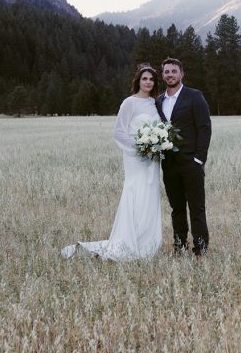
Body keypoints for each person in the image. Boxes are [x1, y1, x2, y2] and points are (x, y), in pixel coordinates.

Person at [62, 65, 164, 260]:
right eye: (145, 78)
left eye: (151, 79)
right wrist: (140, 147)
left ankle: (147, 242)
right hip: (135, 157)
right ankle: (129, 240)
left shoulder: (154, 103)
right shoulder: (129, 103)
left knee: (150, 195)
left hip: (153, 159)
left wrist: (155, 147)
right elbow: (118, 131)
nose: (148, 82)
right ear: (138, 81)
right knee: (135, 192)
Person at [156, 57, 212, 256]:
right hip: (169, 165)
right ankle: (179, 246)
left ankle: (201, 249)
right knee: (177, 208)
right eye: (166, 72)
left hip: (191, 163)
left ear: (181, 74)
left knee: (197, 208)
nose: (170, 75)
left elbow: (204, 128)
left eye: (173, 71)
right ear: (163, 75)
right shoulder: (159, 100)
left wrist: (199, 159)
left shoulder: (194, 96)